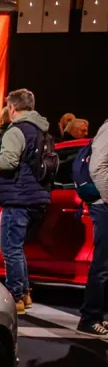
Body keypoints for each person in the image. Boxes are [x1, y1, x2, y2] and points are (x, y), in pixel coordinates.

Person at [0, 89, 52, 314]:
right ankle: (25, 293)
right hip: (37, 198)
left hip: (18, 198)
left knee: (10, 249)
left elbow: (9, 162)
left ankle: (16, 296)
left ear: (12, 108)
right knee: (17, 248)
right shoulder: (42, 130)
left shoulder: (17, 130)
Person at [77, 118, 108, 337]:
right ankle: (89, 318)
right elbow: (97, 168)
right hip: (103, 204)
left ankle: (100, 315)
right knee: (103, 264)